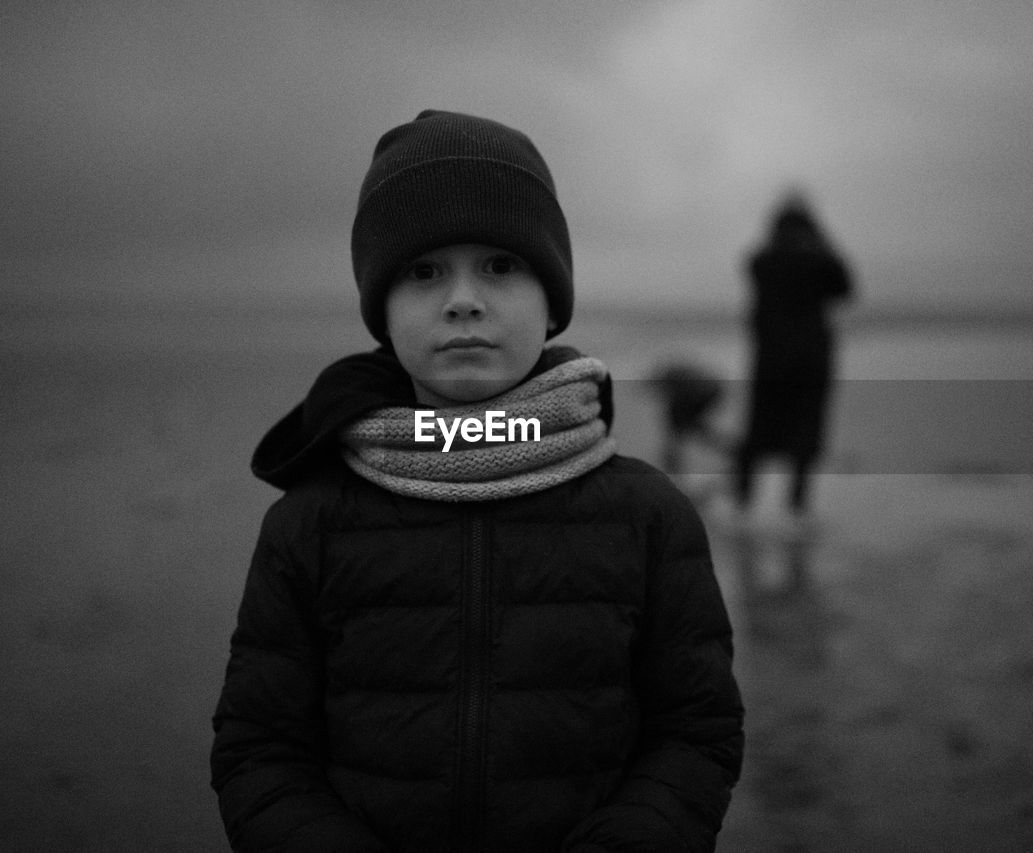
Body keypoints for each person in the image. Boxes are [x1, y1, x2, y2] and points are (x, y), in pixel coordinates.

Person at [210, 110, 744, 853]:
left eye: (500, 264)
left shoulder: (648, 515)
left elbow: (696, 734)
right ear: (382, 310)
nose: (463, 299)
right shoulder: (311, 521)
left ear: (553, 299)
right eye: (423, 271)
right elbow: (258, 751)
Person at [735, 196, 852, 518]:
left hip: (770, 362)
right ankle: (796, 511)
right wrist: (822, 243)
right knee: (805, 436)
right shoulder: (819, 261)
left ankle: (742, 507)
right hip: (811, 363)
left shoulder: (764, 260)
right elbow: (846, 288)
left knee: (758, 434)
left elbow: (754, 268)